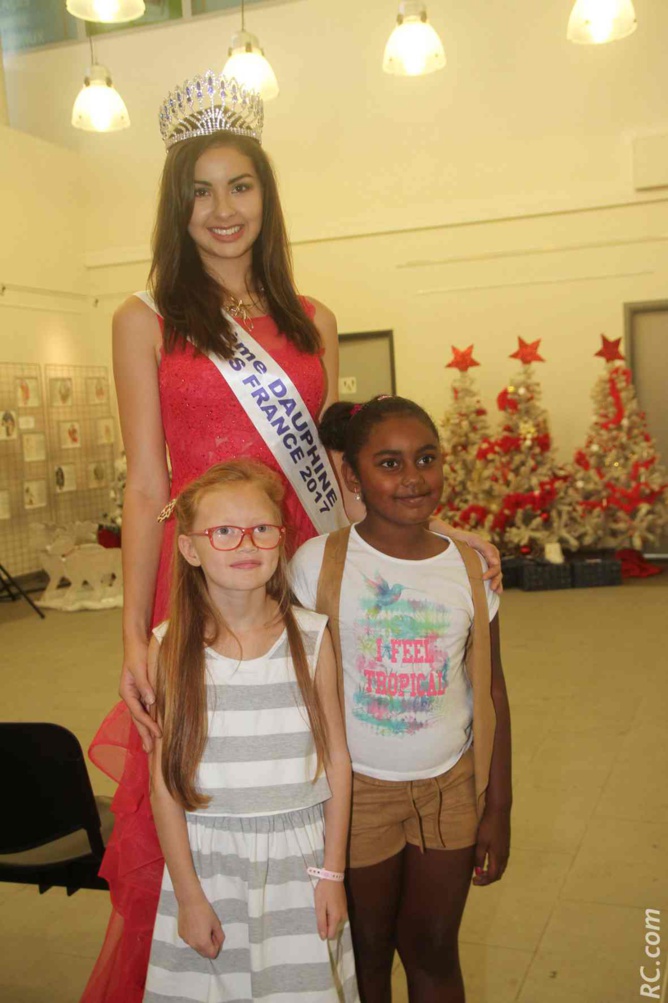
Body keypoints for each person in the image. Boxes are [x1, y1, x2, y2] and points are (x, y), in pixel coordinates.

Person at [82, 71, 501, 1002]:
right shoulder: (143, 320)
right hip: (200, 591)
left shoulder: (314, 322)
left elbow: (334, 476)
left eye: (241, 186)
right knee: (208, 797)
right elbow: (148, 481)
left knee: (319, 782)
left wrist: (440, 533)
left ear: (267, 197)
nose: (222, 210)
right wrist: (128, 636)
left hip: (302, 587)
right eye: (200, 190)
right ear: (175, 207)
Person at [290, 396, 512, 1003]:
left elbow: (492, 690)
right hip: (356, 795)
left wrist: (498, 807)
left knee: (435, 948)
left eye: (426, 458)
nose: (413, 478)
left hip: (450, 788)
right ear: (353, 477)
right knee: (367, 953)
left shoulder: (470, 568)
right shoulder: (317, 566)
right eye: (389, 463)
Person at [142, 459, 357, 1002]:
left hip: (298, 866)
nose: (247, 544)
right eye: (223, 531)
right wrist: (189, 897)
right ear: (190, 549)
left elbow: (337, 762)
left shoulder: (311, 637)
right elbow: (165, 784)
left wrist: (332, 875)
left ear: (281, 539)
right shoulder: (169, 646)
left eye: (263, 529)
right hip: (211, 869)